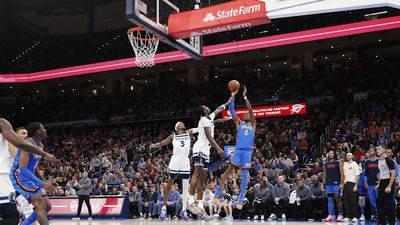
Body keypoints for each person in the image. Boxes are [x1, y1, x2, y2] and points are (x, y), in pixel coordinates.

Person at [0, 120, 56, 225]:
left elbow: (34, 167)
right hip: (18, 176)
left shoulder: (40, 146)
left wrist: (44, 180)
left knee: (47, 206)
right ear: (37, 132)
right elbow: (22, 169)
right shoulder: (25, 144)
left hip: (28, 177)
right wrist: (42, 183)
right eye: (42, 128)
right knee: (39, 205)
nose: (45, 130)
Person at [214, 86, 256, 210]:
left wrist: (245, 97)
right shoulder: (239, 123)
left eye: (248, 114)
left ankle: (241, 198)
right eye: (245, 114)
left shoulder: (253, 124)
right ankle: (217, 192)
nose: (247, 115)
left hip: (247, 152)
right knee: (228, 171)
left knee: (244, 175)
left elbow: (251, 110)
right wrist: (232, 96)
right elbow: (232, 111)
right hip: (238, 151)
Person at [189, 98, 230, 215]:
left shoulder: (209, 118)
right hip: (200, 148)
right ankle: (191, 199)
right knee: (197, 172)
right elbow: (208, 136)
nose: (207, 107)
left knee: (203, 177)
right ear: (203, 111)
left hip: (206, 150)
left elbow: (218, 109)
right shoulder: (203, 119)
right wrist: (219, 149)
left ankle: (200, 203)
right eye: (205, 107)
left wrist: (229, 101)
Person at [150, 122, 198, 221]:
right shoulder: (173, 136)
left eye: (183, 123)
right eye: (180, 123)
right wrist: (154, 145)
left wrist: (213, 121)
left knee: (185, 186)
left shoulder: (188, 132)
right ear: (176, 127)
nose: (183, 123)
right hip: (175, 159)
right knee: (169, 183)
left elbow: (200, 128)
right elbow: (162, 143)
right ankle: (163, 208)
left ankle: (184, 210)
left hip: (185, 160)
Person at [322, 150, 344, 222]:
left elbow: (342, 174)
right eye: (329, 153)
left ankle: (340, 215)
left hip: (336, 183)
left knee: (338, 199)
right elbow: (324, 174)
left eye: (332, 153)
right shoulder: (326, 164)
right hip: (329, 184)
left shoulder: (338, 162)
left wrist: (341, 183)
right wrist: (323, 184)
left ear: (334, 154)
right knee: (330, 200)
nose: (330, 154)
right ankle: (330, 215)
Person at [376, 145, 396, 225]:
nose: (377, 150)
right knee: (380, 203)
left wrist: (389, 186)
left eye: (379, 149)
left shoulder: (389, 161)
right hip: (382, 183)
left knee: (389, 205)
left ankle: (392, 223)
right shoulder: (379, 161)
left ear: (384, 150)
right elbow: (381, 174)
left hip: (389, 182)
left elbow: (393, 174)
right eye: (377, 149)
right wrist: (379, 184)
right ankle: (382, 222)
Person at [342, 153, 360, 222]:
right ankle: (348, 216)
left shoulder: (355, 164)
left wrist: (356, 185)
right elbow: (343, 175)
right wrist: (342, 184)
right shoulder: (345, 164)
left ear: (352, 156)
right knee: (346, 201)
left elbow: (357, 176)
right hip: (346, 184)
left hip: (352, 183)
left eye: (349, 155)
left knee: (353, 201)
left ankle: (355, 216)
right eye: (346, 155)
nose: (347, 156)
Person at [364, 147, 379, 221]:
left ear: (375, 152)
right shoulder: (366, 162)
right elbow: (365, 174)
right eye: (370, 151)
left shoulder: (379, 160)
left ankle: (379, 215)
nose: (371, 152)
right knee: (372, 200)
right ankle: (375, 215)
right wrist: (365, 182)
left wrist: (380, 182)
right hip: (370, 184)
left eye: (372, 151)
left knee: (378, 200)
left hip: (378, 184)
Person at [358, 155, 367, 221]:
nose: (361, 158)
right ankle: (362, 214)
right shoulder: (358, 166)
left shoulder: (368, 164)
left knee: (374, 200)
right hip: (361, 185)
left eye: (363, 157)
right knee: (361, 199)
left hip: (370, 184)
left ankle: (374, 215)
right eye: (361, 157)